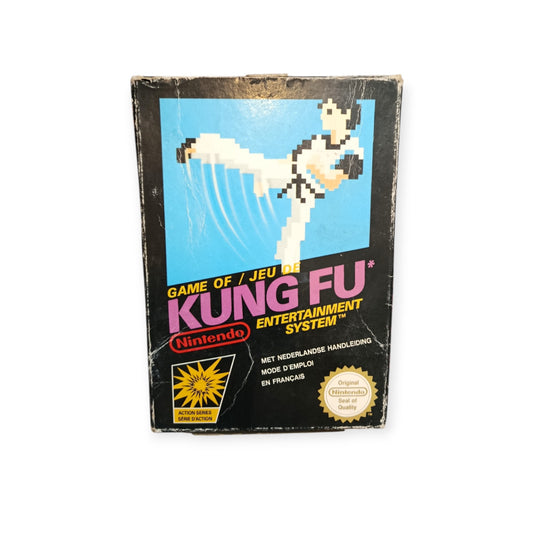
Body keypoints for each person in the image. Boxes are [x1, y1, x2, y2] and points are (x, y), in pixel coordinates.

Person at [177, 99, 364, 267]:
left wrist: (315, 169)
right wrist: (266, 176)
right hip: (293, 178)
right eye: (324, 111)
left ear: (346, 115)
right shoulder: (318, 142)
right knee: (249, 161)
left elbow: (333, 183)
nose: (324, 116)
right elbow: (291, 162)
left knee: (294, 234)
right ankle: (196, 146)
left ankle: (290, 273)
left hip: (315, 199)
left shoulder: (352, 149)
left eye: (329, 112)